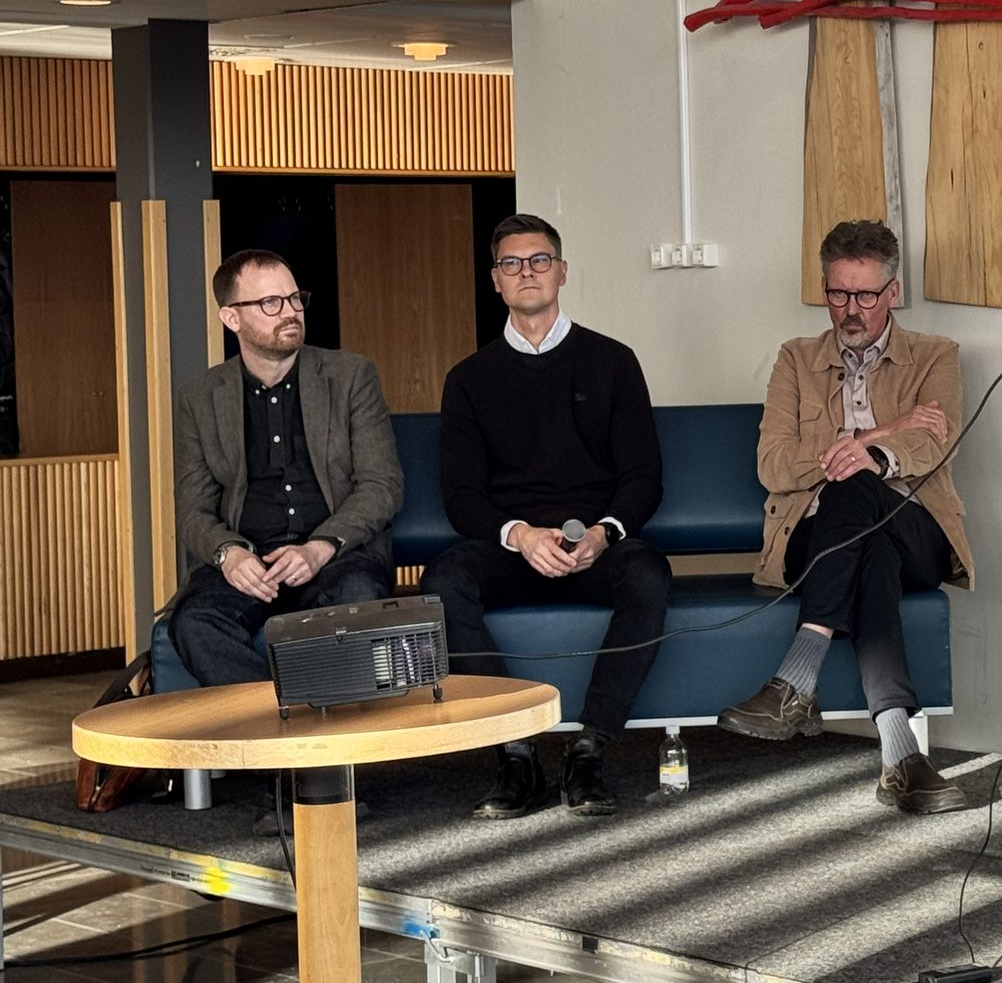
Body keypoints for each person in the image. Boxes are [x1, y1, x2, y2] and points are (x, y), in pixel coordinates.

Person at [719, 220, 974, 814]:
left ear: (893, 292)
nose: (851, 309)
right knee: (867, 543)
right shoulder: (795, 358)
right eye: (838, 294)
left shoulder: (936, 355)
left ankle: (796, 677)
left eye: (865, 295)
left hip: (916, 531)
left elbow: (936, 444)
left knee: (861, 487)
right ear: (824, 290)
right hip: (815, 537)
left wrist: (872, 452)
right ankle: (902, 756)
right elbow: (773, 465)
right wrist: (882, 433)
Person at [423, 214, 671, 818]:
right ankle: (515, 752)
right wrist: (521, 535)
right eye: (512, 263)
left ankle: (591, 750)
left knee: (648, 572)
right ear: (495, 280)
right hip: (513, 549)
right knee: (445, 580)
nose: (527, 272)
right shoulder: (469, 380)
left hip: (594, 545)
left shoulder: (613, 362)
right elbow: (461, 497)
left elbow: (644, 478)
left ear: (562, 272)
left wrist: (604, 533)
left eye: (539, 261)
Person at [171, 250, 401, 687]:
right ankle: (280, 723)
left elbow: (382, 485)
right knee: (194, 622)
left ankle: (296, 720)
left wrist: (320, 547)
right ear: (232, 318)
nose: (291, 312)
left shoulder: (350, 376)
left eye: (295, 299)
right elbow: (192, 509)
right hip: (250, 564)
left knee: (358, 598)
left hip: (337, 559)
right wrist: (229, 554)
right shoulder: (199, 397)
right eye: (271, 303)